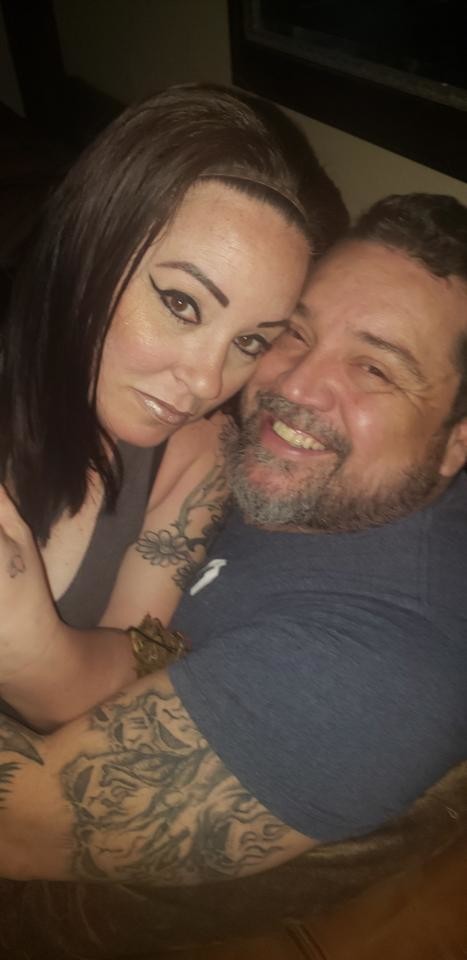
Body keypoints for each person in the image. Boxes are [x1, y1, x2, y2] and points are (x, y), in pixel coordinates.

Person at [0, 192, 466, 886]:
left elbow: (21, 827)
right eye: (295, 333)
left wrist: (28, 651)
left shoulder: (379, 672)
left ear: (456, 443)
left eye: (373, 369)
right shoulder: (233, 422)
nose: (297, 386)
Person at [0, 83, 348, 724]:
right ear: (90, 247)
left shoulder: (198, 452)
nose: (208, 383)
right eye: (182, 304)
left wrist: (31, 650)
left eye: (250, 341)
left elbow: (135, 669)